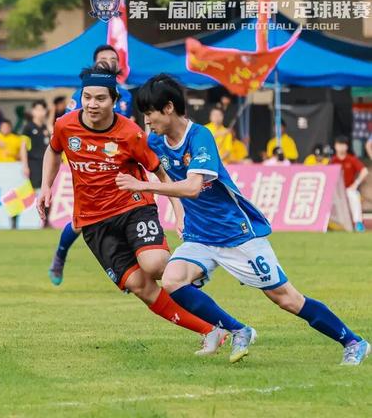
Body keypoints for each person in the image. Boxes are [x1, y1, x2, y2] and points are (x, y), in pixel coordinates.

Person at [116, 74, 369, 365]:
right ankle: (238, 329)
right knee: (173, 280)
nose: (147, 120)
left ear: (169, 108)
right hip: (200, 236)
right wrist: (178, 211)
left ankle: (353, 341)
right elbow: (153, 167)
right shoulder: (156, 142)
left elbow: (194, 187)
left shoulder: (200, 137)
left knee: (287, 299)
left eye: (150, 113)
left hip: (235, 235)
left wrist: (142, 186)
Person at [37, 63, 227, 354]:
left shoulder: (131, 133)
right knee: (141, 287)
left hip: (133, 207)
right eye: (87, 97)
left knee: (155, 265)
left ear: (114, 100)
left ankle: (194, 269)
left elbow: (161, 173)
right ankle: (211, 331)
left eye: (100, 98)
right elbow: (53, 150)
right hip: (94, 223)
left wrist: (179, 212)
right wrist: (45, 186)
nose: (92, 104)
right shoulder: (65, 125)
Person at [48, 45, 134, 286]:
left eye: (113, 58)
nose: (108, 61)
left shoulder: (126, 96)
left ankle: (131, 269)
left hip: (118, 163)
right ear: (95, 63)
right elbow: (65, 130)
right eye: (103, 58)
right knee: (81, 220)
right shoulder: (81, 95)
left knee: (126, 212)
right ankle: (60, 255)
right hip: (88, 165)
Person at [331, 136, 369, 233]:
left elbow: (364, 171)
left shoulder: (351, 159)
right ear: (335, 146)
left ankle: (358, 223)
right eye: (339, 145)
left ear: (347, 146)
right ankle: (329, 224)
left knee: (354, 195)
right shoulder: (332, 160)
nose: (341, 147)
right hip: (335, 191)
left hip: (348, 189)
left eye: (343, 145)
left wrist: (356, 184)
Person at [20, 101, 51, 187]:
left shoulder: (46, 127)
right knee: (35, 187)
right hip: (33, 162)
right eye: (37, 109)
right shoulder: (28, 127)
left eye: (42, 110)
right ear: (32, 111)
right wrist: (25, 165)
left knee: (46, 186)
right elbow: (23, 147)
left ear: (45, 111)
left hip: (46, 162)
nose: (40, 112)